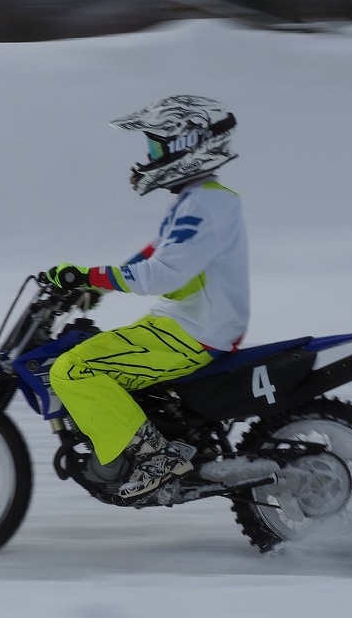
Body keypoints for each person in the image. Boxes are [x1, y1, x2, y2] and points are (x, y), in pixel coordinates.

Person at [40, 94, 249, 501]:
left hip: (191, 332)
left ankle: (157, 457)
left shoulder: (204, 204)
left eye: (156, 147)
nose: (149, 158)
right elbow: (155, 255)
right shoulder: (200, 200)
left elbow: (161, 274)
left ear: (187, 145)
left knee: (71, 370)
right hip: (187, 325)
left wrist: (87, 275)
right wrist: (96, 286)